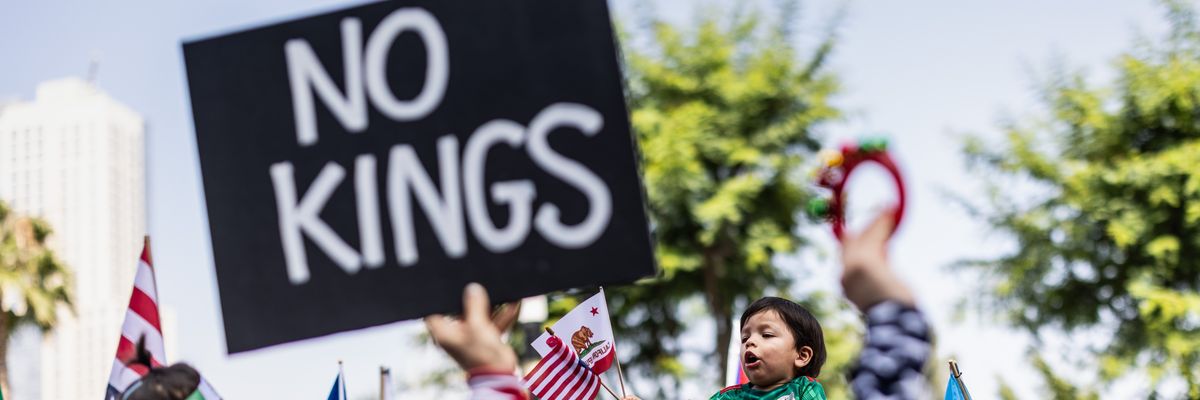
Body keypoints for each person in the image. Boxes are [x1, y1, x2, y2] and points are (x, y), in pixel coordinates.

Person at [708, 297, 828, 399]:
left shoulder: (804, 388)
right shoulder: (728, 396)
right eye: (744, 338)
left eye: (767, 335)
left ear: (802, 356)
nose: (749, 341)